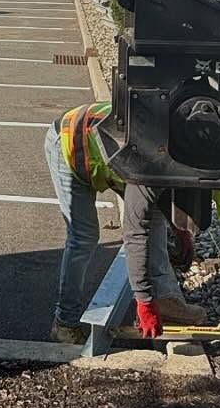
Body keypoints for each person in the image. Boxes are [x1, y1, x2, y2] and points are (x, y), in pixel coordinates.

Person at [44, 100, 208, 344]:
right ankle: (64, 322)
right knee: (84, 237)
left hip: (111, 152)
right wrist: (143, 302)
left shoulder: (184, 148)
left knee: (156, 218)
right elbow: (135, 232)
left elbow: (172, 197)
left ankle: (164, 299)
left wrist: (182, 228)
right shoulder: (152, 161)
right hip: (69, 142)